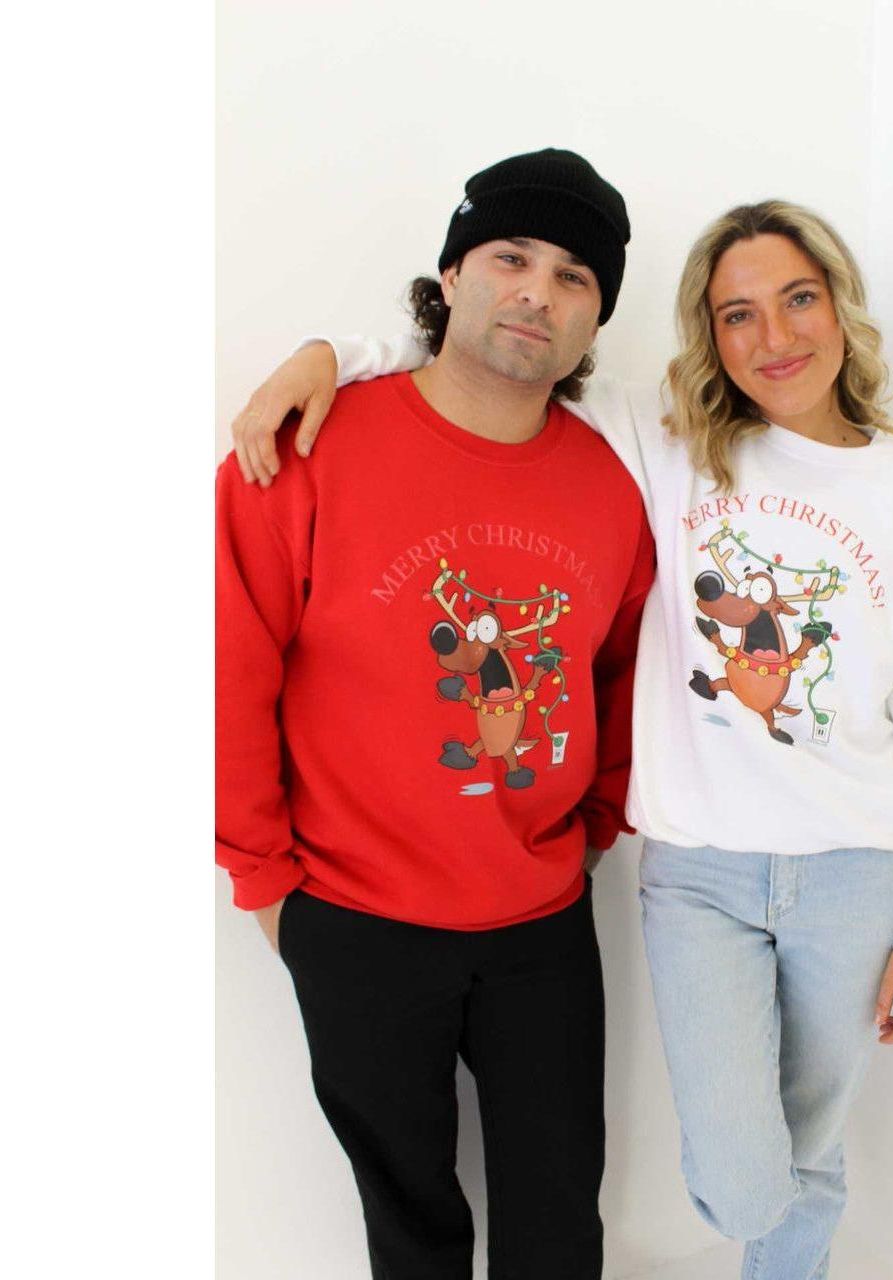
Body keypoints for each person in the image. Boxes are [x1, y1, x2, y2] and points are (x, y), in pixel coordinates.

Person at [233, 199, 893, 1280]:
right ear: (708, 334)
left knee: (805, 1152)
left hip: (848, 868)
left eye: (798, 299)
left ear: (840, 308)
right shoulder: (671, 444)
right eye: (737, 314)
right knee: (741, 1177)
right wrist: (334, 354)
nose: (775, 336)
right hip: (689, 876)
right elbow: (497, 352)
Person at [217, 147, 655, 1280]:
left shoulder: (619, 483)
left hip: (542, 919)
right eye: (511, 256)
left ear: (595, 317)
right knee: (410, 1229)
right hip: (353, 915)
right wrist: (266, 882)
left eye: (572, 277)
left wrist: (596, 821)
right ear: (451, 274)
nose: (536, 293)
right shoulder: (306, 448)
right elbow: (229, 669)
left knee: (559, 1226)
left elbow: (624, 671)